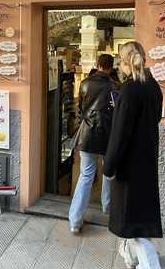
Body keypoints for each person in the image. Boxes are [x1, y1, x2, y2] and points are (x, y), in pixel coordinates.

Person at [103, 41, 163, 269]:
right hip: (146, 160)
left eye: (120, 60)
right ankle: (129, 257)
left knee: (133, 222)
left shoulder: (129, 89)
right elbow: (155, 118)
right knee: (134, 218)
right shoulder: (153, 85)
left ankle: (150, 265)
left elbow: (120, 133)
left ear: (125, 62)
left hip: (129, 166)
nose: (118, 64)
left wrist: (109, 167)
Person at [69, 54, 119, 233]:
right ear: (111, 67)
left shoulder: (85, 84)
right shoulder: (116, 87)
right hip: (108, 137)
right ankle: (107, 208)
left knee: (86, 176)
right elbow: (117, 114)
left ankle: (75, 220)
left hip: (88, 136)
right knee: (108, 173)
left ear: (98, 65)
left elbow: (81, 110)